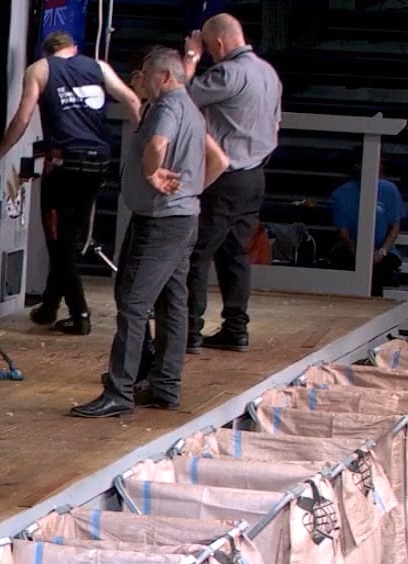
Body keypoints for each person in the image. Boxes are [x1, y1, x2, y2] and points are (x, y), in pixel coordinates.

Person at [71, 48, 228, 418]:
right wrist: (192, 192)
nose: (138, 80)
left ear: (166, 77)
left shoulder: (169, 107)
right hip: (181, 218)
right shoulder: (190, 106)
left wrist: (151, 173)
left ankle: (119, 391)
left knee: (133, 303)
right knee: (172, 303)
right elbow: (219, 160)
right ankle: (165, 385)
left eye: (145, 74)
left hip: (160, 221)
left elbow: (158, 145)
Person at [0, 31, 141, 335]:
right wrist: (142, 144)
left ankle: (79, 313)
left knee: (60, 244)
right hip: (99, 162)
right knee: (68, 239)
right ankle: (48, 307)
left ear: (47, 51)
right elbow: (133, 100)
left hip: (64, 163)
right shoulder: (99, 67)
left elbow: (24, 115)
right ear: (75, 49)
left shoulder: (40, 70)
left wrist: (1, 150)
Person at [182, 13, 282, 352]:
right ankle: (236, 329)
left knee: (197, 254)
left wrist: (192, 57)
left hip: (226, 177)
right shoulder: (268, 72)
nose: (209, 53)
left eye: (209, 48)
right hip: (256, 175)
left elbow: (181, 96)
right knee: (235, 254)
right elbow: (276, 124)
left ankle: (189, 331)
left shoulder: (228, 73)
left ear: (220, 44)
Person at [329, 175, 408, 296]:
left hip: (384, 250)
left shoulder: (389, 189)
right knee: (347, 263)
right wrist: (356, 252)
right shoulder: (342, 193)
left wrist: (382, 252)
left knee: (377, 270)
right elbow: (343, 233)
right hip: (349, 248)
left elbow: (394, 227)